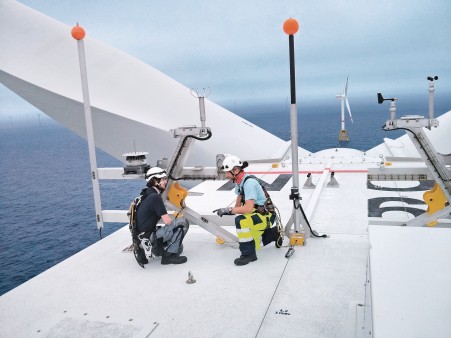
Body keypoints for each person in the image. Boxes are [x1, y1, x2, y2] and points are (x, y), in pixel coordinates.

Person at [213, 155, 282, 266]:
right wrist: (228, 210)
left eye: (227, 172)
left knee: (241, 221)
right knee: (253, 244)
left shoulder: (249, 183)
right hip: (257, 215)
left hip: (266, 216)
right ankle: (273, 234)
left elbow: (248, 209)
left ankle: (249, 255)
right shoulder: (240, 183)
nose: (226, 175)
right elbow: (239, 207)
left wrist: (229, 210)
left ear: (235, 170)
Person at [135, 167, 189, 265]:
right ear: (155, 181)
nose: (166, 181)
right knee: (182, 222)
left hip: (141, 240)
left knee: (179, 249)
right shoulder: (155, 197)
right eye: (163, 179)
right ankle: (168, 257)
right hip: (149, 239)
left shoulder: (144, 194)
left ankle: (145, 251)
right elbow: (167, 221)